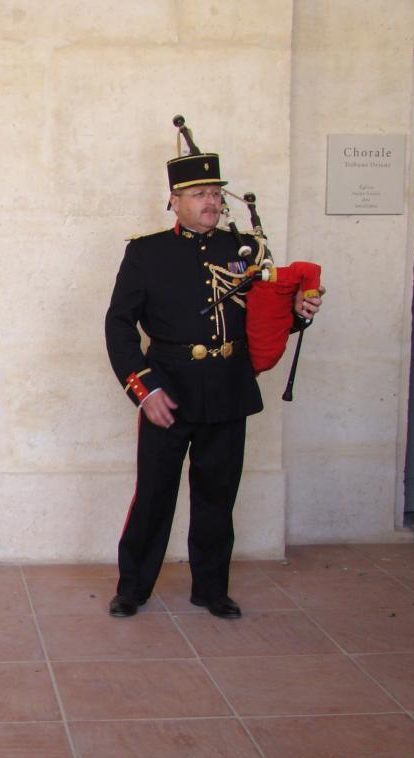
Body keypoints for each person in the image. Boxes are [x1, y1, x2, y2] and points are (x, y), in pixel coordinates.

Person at [105, 150, 322, 620]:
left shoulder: (244, 250)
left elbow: (265, 319)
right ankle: (133, 587)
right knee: (155, 494)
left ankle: (210, 588)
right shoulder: (146, 252)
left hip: (228, 386)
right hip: (168, 387)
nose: (211, 201)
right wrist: (145, 391)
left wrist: (297, 315)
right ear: (174, 201)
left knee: (218, 495)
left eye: (216, 193)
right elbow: (119, 326)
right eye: (200, 193)